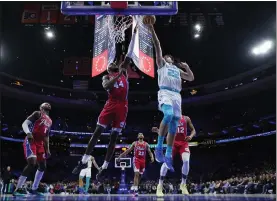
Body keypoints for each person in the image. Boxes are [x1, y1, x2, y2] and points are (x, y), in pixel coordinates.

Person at [72, 26, 138, 177]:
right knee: (97, 133)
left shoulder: (123, 70)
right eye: (109, 64)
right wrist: (116, 76)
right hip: (110, 104)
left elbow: (129, 52)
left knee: (114, 137)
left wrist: (133, 35)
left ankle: (105, 166)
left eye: (113, 63)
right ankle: (83, 160)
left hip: (123, 106)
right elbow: (106, 86)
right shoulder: (106, 77)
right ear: (108, 69)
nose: (112, 63)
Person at [146, 23, 194, 171]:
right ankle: (159, 147)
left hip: (176, 95)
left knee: (174, 122)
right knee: (168, 114)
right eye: (165, 56)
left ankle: (167, 153)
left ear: (172, 59)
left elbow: (191, 78)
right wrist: (152, 29)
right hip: (165, 91)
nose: (167, 57)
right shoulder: (162, 65)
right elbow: (157, 45)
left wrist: (186, 67)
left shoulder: (177, 69)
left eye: (169, 57)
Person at [13, 103, 52, 196]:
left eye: (48, 107)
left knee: (43, 166)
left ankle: (34, 188)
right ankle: (18, 189)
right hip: (31, 140)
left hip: (40, 144)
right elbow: (25, 123)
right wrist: (28, 133)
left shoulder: (50, 121)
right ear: (41, 108)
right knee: (32, 163)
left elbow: (46, 137)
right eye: (45, 106)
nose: (47, 105)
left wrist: (47, 149)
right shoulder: (37, 114)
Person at [152, 115, 196, 196]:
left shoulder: (186, 118)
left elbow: (193, 130)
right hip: (171, 143)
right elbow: (164, 132)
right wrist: (158, 131)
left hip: (183, 143)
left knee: (186, 161)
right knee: (166, 163)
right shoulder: (170, 118)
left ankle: (183, 184)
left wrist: (190, 136)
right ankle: (160, 186)